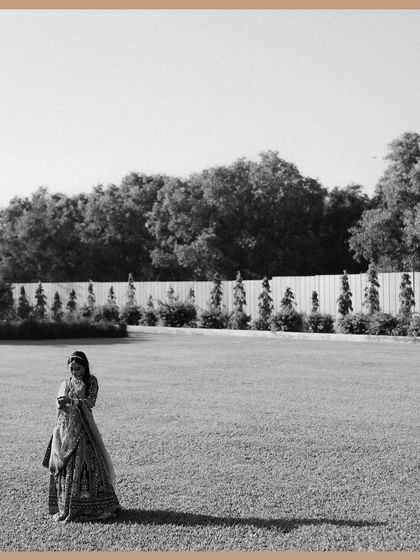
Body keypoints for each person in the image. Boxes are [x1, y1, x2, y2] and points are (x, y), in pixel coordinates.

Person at [43, 351, 121, 522]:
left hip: (85, 427)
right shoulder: (66, 383)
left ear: (85, 367)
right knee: (65, 465)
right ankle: (67, 505)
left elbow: (91, 402)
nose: (74, 372)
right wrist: (61, 403)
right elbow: (58, 404)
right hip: (67, 428)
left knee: (90, 462)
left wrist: (73, 402)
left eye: (78, 369)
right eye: (71, 369)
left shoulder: (91, 381)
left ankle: (97, 504)